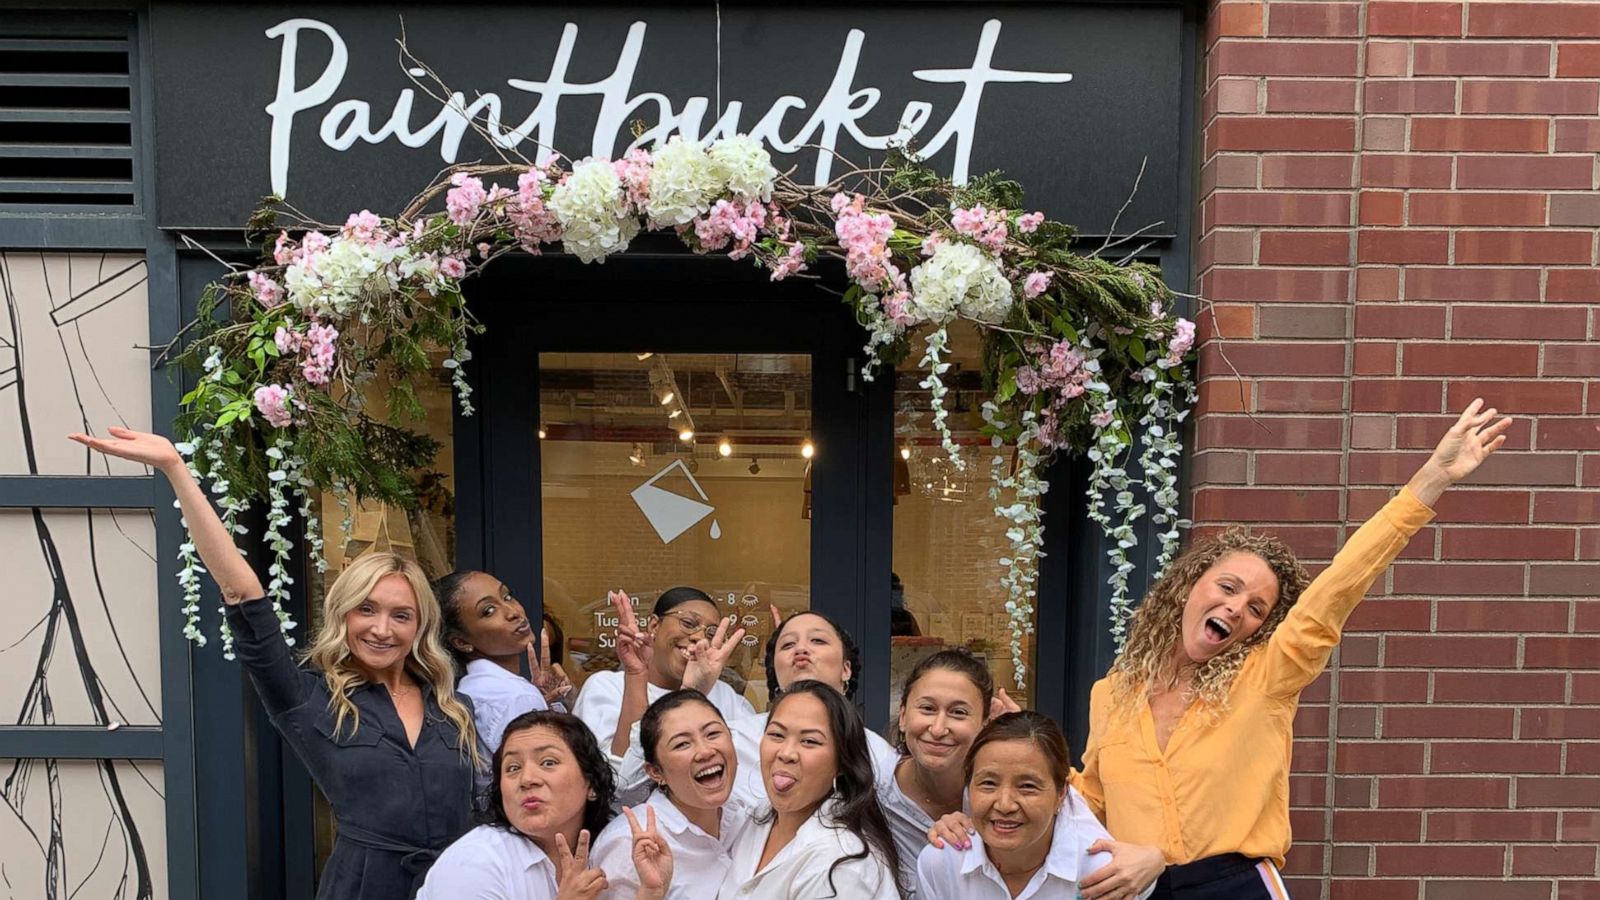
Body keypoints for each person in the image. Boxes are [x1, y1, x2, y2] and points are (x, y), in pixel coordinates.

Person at [1067, 400, 1512, 899]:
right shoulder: (1113, 693)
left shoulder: (1265, 677)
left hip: (1237, 887)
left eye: (1257, 608)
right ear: (1188, 587)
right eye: (1228, 588)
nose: (1237, 609)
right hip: (1136, 889)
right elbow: (1092, 801)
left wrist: (1430, 480)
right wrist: (1020, 752)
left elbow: (1334, 592)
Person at [69, 427, 477, 900]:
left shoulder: (452, 706)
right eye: (366, 609)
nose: (382, 629)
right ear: (343, 615)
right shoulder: (308, 697)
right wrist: (177, 472)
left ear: (419, 626)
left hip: (458, 884)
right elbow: (244, 595)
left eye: (400, 615)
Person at [916, 712, 1150, 900]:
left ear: (1061, 794)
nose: (1005, 804)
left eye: (1027, 786)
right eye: (988, 784)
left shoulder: (1101, 872)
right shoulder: (942, 862)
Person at [715, 680, 905, 899]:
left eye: (809, 741)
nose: (786, 753)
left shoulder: (842, 864)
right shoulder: (758, 817)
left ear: (842, 762)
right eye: (776, 735)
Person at [417, 710, 629, 899]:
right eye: (513, 768)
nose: (527, 779)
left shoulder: (609, 852)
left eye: (548, 762)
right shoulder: (475, 862)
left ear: (591, 783)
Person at [880, 649, 1017, 895]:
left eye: (958, 713)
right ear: (902, 716)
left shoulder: (1010, 796)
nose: (939, 728)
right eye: (927, 709)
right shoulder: (872, 796)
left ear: (985, 724)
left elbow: (1081, 834)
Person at [591, 690, 751, 898]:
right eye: (682, 744)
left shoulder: (749, 817)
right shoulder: (629, 843)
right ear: (656, 772)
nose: (705, 751)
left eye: (712, 734)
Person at [435, 569, 574, 800]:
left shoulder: (468, 689)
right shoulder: (515, 696)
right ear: (461, 641)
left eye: (507, 596)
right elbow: (546, 781)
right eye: (488, 611)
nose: (513, 612)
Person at [572, 587, 754, 755]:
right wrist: (636, 675)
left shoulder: (727, 697)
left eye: (711, 633)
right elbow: (622, 778)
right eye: (689, 622)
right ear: (654, 626)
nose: (699, 637)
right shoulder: (606, 688)